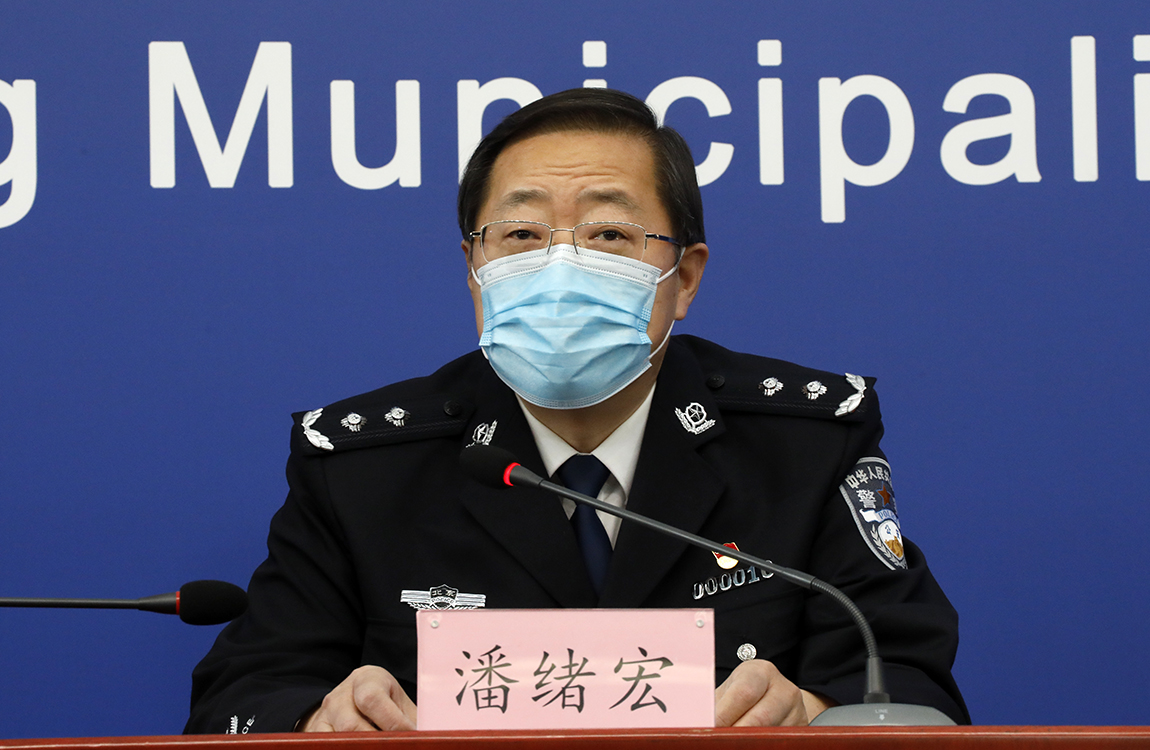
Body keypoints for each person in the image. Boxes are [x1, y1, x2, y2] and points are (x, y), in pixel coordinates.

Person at [184, 88, 968, 733]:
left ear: (685, 278)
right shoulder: (364, 468)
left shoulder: (805, 444)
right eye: (522, 233)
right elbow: (242, 697)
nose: (560, 265)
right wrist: (318, 720)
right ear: (473, 268)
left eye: (609, 233)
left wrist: (813, 714)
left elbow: (907, 681)